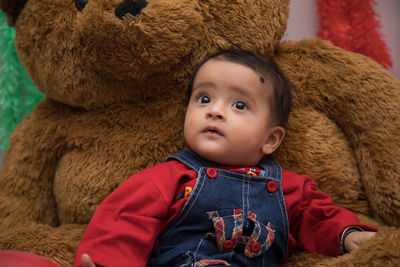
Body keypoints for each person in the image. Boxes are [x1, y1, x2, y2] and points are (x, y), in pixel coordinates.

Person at [74, 50, 377, 267]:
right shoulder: (172, 177)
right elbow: (124, 220)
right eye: (203, 98)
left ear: (270, 139)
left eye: (239, 104)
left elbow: (317, 215)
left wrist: (346, 234)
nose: (215, 111)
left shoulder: (289, 189)